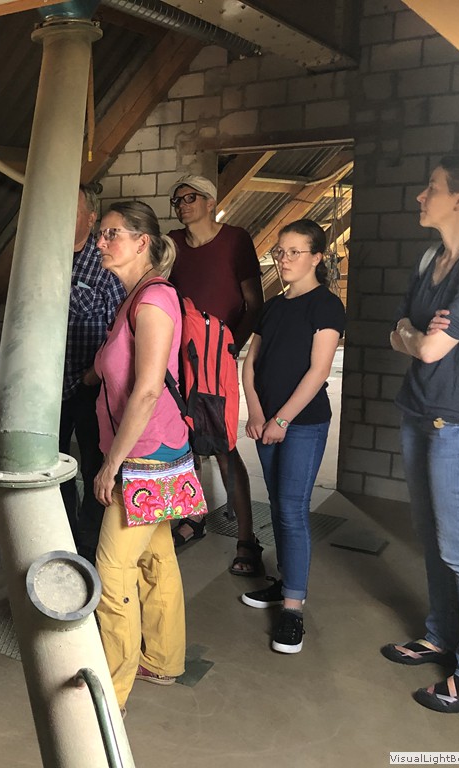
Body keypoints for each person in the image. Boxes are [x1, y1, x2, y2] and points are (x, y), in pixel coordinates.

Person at [383, 151, 459, 714]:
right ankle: (439, 636)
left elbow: (427, 346)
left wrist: (416, 338)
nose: (420, 195)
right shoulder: (430, 257)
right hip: (419, 410)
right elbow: (399, 332)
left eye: (430, 187)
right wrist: (415, 337)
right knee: (433, 538)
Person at [92, 200, 187, 712]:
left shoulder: (153, 299)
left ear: (141, 241)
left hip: (145, 458)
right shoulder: (137, 296)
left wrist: (112, 464)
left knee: (112, 572)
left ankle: (112, 692)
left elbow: (147, 390)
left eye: (112, 234)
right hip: (160, 450)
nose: (101, 242)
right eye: (101, 234)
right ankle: (164, 660)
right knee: (156, 558)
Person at [239, 219, 345, 654]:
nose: (283, 259)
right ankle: (285, 582)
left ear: (317, 257)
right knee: (278, 505)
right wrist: (256, 412)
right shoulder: (272, 306)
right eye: (279, 251)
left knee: (291, 509)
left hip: (302, 424)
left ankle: (293, 608)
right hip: (266, 421)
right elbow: (250, 363)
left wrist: (281, 420)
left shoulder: (326, 306)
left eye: (294, 252)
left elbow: (318, 371)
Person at [167, 174, 264, 577]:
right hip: (180, 356)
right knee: (182, 443)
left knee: (223, 445)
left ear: (210, 202)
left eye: (191, 198)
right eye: (178, 200)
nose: (183, 204)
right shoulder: (172, 243)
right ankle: (193, 517)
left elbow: (254, 302)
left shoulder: (235, 240)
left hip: (216, 358)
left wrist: (231, 346)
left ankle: (247, 537)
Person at [60, 185, 126, 563]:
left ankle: (89, 539)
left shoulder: (103, 266)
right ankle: (64, 533)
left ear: (90, 218)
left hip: (90, 385)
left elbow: (119, 331)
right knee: (54, 465)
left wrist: (96, 374)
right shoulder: (47, 257)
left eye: (73, 210)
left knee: (93, 464)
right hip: (48, 386)